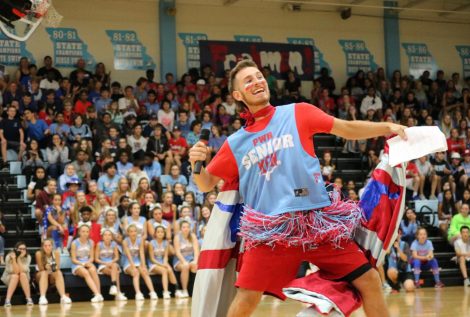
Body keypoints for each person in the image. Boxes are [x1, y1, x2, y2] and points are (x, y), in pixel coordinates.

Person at [189, 60, 408, 317]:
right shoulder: (236, 142)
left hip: (316, 224)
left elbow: (345, 128)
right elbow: (205, 183)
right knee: (246, 299)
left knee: (369, 280)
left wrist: (388, 127)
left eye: (259, 76)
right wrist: (196, 163)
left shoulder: (298, 112)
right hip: (270, 233)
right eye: (248, 80)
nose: (257, 81)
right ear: (238, 95)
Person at [121, 224, 158, 300]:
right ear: (128, 233)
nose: (133, 233)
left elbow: (141, 253)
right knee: (136, 272)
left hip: (137, 260)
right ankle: (138, 293)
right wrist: (133, 267)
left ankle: (152, 292)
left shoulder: (140, 240)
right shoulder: (125, 241)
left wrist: (144, 265)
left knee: (144, 271)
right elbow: (128, 255)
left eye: (135, 231)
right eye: (131, 231)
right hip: (128, 261)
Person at [70, 224, 104, 302]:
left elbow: (91, 257)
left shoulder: (91, 242)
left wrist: (88, 263)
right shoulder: (74, 243)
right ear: (79, 232)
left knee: (93, 269)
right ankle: (97, 294)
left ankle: (99, 294)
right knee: (85, 272)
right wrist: (83, 264)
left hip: (87, 262)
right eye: (83, 231)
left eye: (87, 231)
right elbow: (73, 259)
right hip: (77, 264)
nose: (85, 233)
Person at [35, 239, 72, 305]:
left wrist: (51, 267)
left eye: (49, 245)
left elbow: (57, 267)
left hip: (52, 273)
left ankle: (63, 296)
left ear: (52, 246)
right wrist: (46, 267)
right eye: (45, 246)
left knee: (59, 272)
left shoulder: (56, 253)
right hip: (40, 274)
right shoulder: (39, 253)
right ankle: (42, 297)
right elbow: (40, 268)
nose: (47, 247)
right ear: (42, 247)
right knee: (44, 273)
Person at [95, 229, 127, 301]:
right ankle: (118, 292)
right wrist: (105, 263)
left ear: (112, 237)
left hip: (112, 263)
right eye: (105, 235)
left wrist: (111, 262)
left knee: (115, 266)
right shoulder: (99, 245)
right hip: (102, 264)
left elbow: (117, 257)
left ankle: (113, 286)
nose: (107, 237)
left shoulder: (114, 244)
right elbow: (96, 259)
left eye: (109, 235)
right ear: (102, 237)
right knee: (116, 272)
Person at [148, 225, 177, 299]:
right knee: (164, 271)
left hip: (162, 261)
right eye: (158, 232)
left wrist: (165, 263)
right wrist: (162, 265)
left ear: (164, 233)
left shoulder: (166, 243)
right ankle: (166, 292)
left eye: (162, 232)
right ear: (155, 233)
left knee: (170, 270)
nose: (160, 233)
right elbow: (151, 259)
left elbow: (165, 256)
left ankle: (175, 290)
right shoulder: (151, 243)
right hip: (153, 263)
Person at [173, 220, 200, 298]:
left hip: (191, 258)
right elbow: (177, 252)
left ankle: (194, 291)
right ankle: (184, 290)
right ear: (181, 229)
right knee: (185, 266)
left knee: (195, 266)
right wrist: (184, 261)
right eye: (184, 227)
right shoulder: (177, 237)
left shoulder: (193, 236)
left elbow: (196, 250)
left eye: (188, 227)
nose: (186, 229)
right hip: (179, 259)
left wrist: (195, 260)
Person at [1, 241, 33, 307]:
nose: (22, 251)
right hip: (10, 277)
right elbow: (15, 272)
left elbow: (22, 271)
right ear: (16, 249)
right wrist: (14, 259)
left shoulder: (28, 257)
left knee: (23, 274)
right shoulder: (9, 256)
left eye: (24, 249)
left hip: (23, 278)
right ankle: (7, 300)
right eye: (20, 249)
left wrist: (18, 259)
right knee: (15, 276)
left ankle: (29, 299)